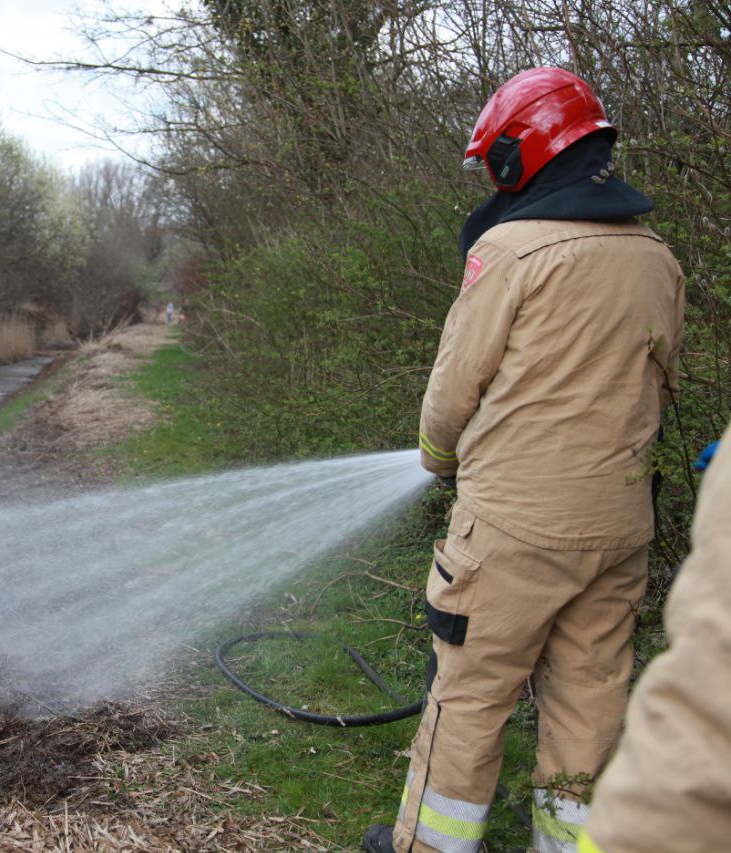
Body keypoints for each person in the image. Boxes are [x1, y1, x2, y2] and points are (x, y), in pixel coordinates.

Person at [362, 67, 685, 853]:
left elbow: (451, 396)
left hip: (511, 527)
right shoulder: (658, 259)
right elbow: (659, 377)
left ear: (520, 156)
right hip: (618, 529)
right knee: (591, 700)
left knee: (471, 695)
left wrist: (438, 459)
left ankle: (432, 847)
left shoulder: (510, 251)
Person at [577, 433, 729, 852]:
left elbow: (706, 713)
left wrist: (441, 459)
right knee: (586, 684)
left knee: (476, 679)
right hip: (620, 514)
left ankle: (429, 844)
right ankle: (556, 839)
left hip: (515, 511)